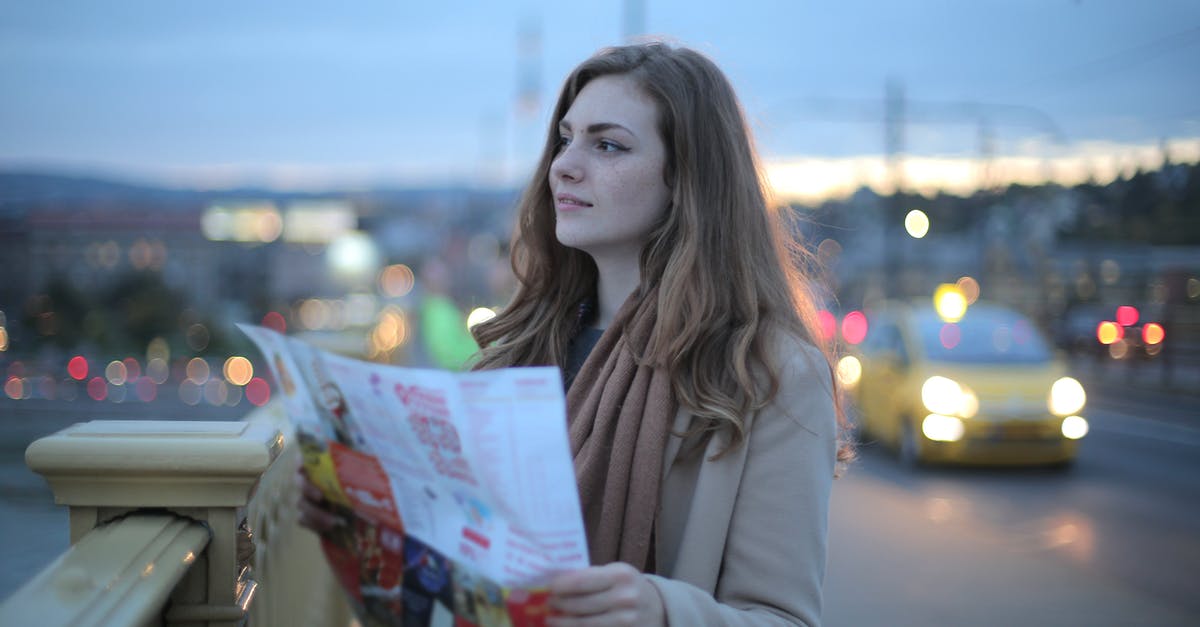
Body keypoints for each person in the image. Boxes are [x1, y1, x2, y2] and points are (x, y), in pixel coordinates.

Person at [301, 41, 851, 627]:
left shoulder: (768, 371)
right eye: (566, 138)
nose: (564, 164)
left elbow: (783, 617)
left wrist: (659, 613)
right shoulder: (518, 352)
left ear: (688, 180)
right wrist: (373, 529)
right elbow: (467, 587)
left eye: (608, 145)